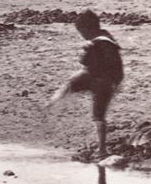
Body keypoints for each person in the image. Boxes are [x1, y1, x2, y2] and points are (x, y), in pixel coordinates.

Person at [51, 11, 124, 157]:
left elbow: (85, 63)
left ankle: (55, 103)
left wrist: (87, 50)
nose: (82, 36)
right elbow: (115, 65)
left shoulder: (96, 43)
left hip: (99, 80)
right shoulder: (107, 37)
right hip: (108, 80)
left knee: (96, 113)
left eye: (81, 32)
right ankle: (102, 148)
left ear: (86, 29)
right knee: (99, 115)